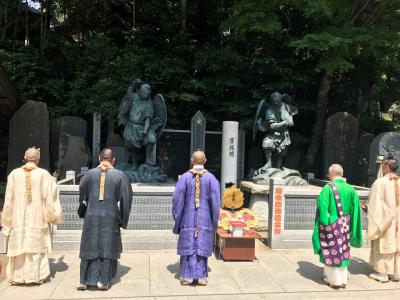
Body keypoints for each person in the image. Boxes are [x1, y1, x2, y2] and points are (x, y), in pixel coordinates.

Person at [1, 147, 64, 284]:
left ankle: (17, 277)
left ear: (25, 157)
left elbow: (8, 201)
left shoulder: (14, 174)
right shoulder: (44, 175)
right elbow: (51, 199)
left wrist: (6, 222)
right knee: (36, 246)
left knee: (20, 243)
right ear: (38, 159)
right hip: (37, 217)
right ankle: (36, 277)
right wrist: (54, 216)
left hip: (18, 218)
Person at [77, 148, 132, 291]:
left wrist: (84, 211)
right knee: (107, 246)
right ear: (113, 160)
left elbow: (82, 194)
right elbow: (126, 199)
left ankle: (84, 280)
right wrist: (123, 219)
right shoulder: (120, 176)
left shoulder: (88, 175)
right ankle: (103, 281)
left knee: (90, 244)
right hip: (110, 215)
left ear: (99, 158)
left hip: (91, 215)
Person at [172, 150, 220, 286]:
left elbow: (177, 201)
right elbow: (216, 204)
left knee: (189, 243)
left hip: (187, 218)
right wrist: (214, 221)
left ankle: (187, 276)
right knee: (202, 243)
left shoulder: (184, 178)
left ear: (192, 160)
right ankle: (201, 277)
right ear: (205, 161)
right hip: (204, 219)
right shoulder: (212, 179)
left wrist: (178, 217)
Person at [312, 164, 363, 289]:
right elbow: (355, 210)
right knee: (343, 249)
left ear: (331, 174)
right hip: (345, 223)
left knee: (330, 249)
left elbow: (322, 208)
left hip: (331, 223)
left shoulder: (327, 188)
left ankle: (334, 281)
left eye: (328, 174)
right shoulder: (351, 189)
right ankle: (343, 279)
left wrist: (324, 224)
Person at [366, 158, 400, 283]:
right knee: (397, 244)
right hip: (398, 221)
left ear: (386, 167)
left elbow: (375, 204)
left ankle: (382, 273)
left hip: (387, 222)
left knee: (385, 243)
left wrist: (367, 208)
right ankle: (396, 273)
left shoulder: (380, 182)